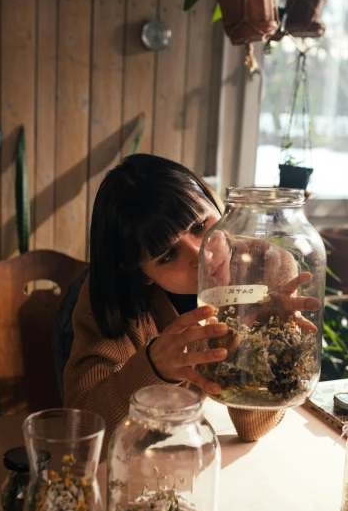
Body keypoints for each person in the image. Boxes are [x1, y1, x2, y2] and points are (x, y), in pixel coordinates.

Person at [64, 154, 319, 444]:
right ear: (139, 272)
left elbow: (252, 431)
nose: (203, 254)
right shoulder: (112, 298)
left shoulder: (269, 266)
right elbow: (82, 431)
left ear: (216, 204)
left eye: (200, 226)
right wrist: (153, 367)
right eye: (168, 255)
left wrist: (262, 348)